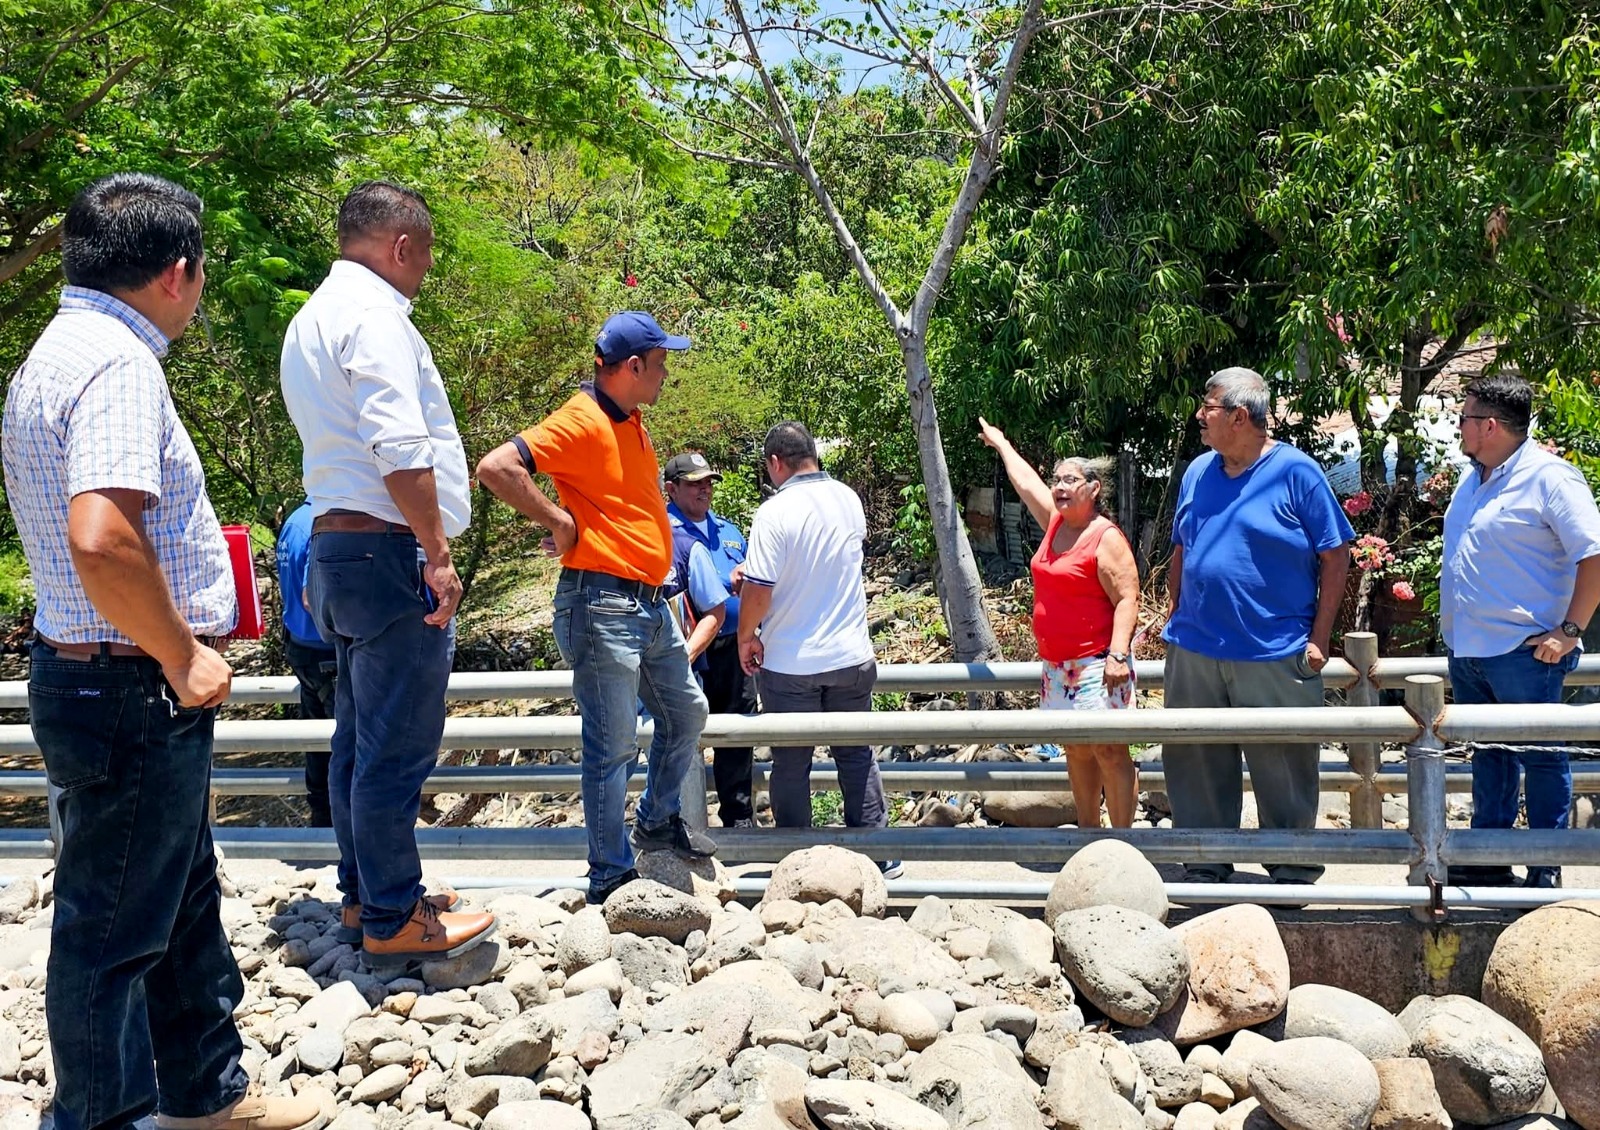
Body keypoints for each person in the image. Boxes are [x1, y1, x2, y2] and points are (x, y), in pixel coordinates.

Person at [3, 173, 333, 1130]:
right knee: (110, 930)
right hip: (131, 682)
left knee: (180, 894)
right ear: (179, 272)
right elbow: (102, 535)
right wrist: (184, 655)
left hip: (95, 673)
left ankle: (206, 1090)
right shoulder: (118, 365)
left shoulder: (55, 351)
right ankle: (101, 1116)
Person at [280, 181, 494, 961]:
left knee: (354, 739)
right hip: (386, 547)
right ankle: (395, 916)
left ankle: (361, 895)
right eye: (427, 254)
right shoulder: (374, 318)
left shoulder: (313, 317)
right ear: (402, 246)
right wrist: (437, 554)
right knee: (395, 746)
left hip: (336, 549)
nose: (427, 270)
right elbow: (401, 449)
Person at [476, 311, 714, 905]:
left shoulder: (629, 419)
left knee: (686, 713)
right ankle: (610, 870)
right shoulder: (582, 419)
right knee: (611, 743)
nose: (665, 376)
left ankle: (656, 820)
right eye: (660, 365)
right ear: (632, 367)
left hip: (646, 601)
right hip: (603, 601)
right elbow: (496, 467)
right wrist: (557, 519)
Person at [1162, 366, 1354, 885]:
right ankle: (1205, 861)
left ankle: (1291, 870)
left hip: (1274, 650)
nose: (1200, 416)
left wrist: (1319, 639)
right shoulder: (1199, 471)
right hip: (1196, 648)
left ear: (1240, 417)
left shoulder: (1297, 472)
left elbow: (1336, 556)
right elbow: (1182, 547)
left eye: (1208, 406)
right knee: (1195, 760)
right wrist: (1175, 612)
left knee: (1285, 765)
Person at [1441, 373, 1600, 889]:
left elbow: (1593, 555)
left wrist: (1570, 629)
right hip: (1469, 648)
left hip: (1524, 651)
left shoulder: (1550, 478)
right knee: (1490, 756)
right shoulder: (1476, 478)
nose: (1458, 427)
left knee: (1541, 758)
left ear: (1489, 425)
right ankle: (1489, 856)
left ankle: (1544, 865)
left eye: (1464, 418)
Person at [737, 422, 897, 874]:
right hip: (851, 655)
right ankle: (876, 854)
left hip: (791, 661)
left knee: (791, 761)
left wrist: (746, 635)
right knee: (856, 753)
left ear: (775, 462)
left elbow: (760, 587)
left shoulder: (775, 511)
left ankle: (797, 859)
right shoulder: (848, 499)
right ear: (813, 454)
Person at [978, 421, 1141, 827]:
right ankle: (1089, 838)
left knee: (1109, 752)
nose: (1059, 486)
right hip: (1058, 668)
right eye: (1058, 479)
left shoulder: (1105, 537)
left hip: (1099, 665)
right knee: (1076, 750)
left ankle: (1125, 847)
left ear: (1094, 487)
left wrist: (1118, 655)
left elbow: (1127, 599)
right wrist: (1002, 444)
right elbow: (1026, 483)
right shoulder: (1055, 524)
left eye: (1070, 479)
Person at [664, 451, 760, 828]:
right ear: (671, 489)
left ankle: (738, 817)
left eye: (708, 482)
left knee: (737, 730)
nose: (704, 489)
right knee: (683, 732)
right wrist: (726, 585)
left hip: (736, 644)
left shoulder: (729, 530)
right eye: (694, 483)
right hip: (689, 651)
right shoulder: (664, 533)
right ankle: (682, 819)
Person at [275, 500, 337, 827]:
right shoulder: (323, 522)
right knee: (348, 744)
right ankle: (343, 833)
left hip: (301, 648)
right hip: (328, 650)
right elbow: (312, 595)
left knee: (318, 743)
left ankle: (321, 822)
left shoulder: (293, 522)